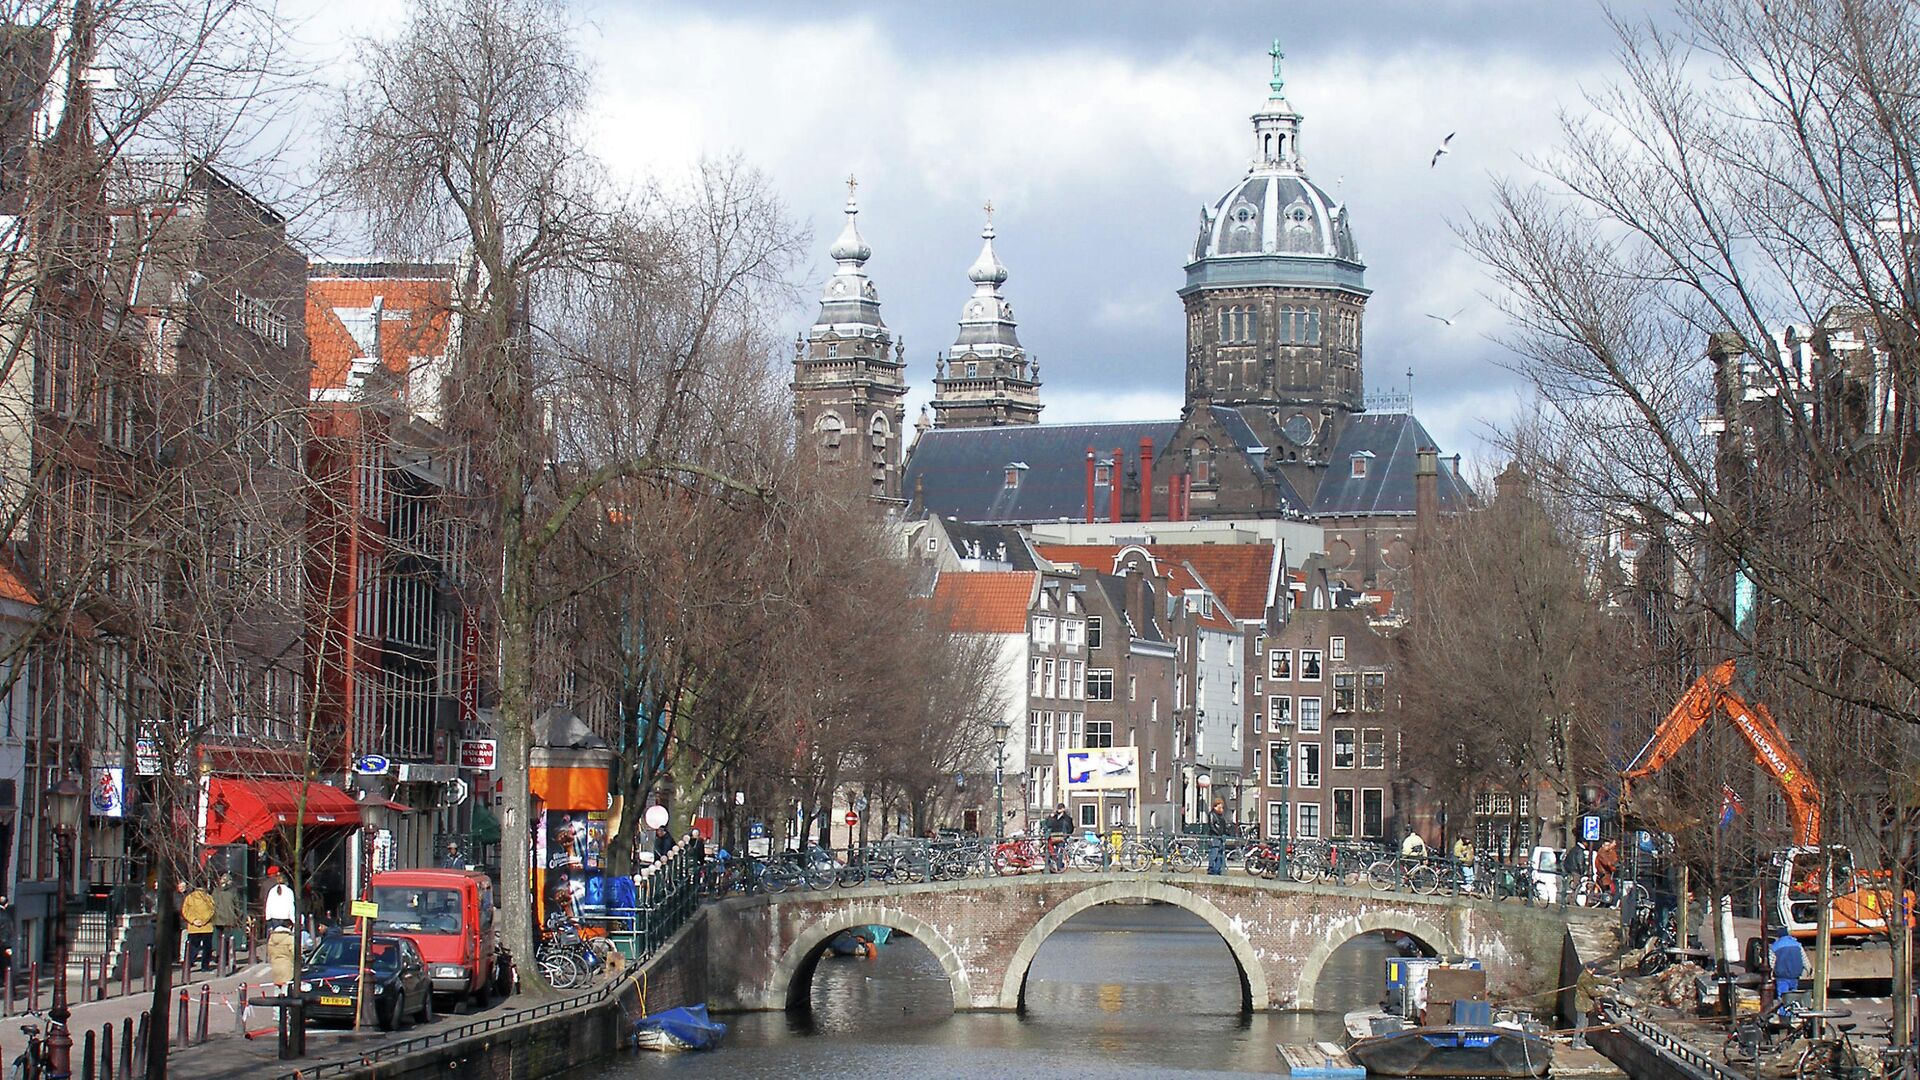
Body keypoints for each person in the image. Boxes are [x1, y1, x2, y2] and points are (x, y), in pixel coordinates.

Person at [212, 872, 243, 975]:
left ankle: (219, 956)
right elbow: (237, 904)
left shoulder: (216, 891)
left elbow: (212, 903)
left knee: (219, 938)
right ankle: (226, 957)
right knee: (227, 939)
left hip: (218, 918)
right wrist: (238, 916)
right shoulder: (233, 891)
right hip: (229, 918)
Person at [182, 880, 216, 972]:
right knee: (206, 948)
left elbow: (185, 911)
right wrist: (204, 921)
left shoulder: (189, 898)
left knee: (192, 947)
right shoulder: (208, 897)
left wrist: (193, 920)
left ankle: (188, 965)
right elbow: (212, 910)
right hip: (207, 928)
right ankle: (205, 966)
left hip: (193, 928)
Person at [1769, 925, 1806, 999]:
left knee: (1783, 996)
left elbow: (1772, 962)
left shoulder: (1775, 946)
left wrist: (1770, 974)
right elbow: (1804, 959)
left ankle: (1784, 1006)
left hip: (1782, 976)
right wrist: (1808, 969)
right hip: (1795, 975)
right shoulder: (1797, 945)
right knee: (1794, 996)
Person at [1044, 804, 1073, 872]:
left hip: (1062, 837)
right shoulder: (1054, 816)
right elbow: (1048, 825)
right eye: (1058, 808)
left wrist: (1066, 835)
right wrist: (1050, 817)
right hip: (1053, 836)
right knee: (1049, 849)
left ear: (1063, 809)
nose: (1058, 810)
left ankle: (1059, 867)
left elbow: (1070, 828)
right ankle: (1052, 865)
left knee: (1060, 851)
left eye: (1060, 808)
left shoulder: (1067, 818)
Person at [1206, 799, 1230, 875]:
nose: (1222, 807)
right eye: (1220, 805)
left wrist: (1225, 832)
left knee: (1220, 854)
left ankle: (1218, 869)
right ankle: (1211, 869)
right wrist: (1218, 833)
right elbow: (1211, 825)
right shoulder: (1212, 814)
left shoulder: (1221, 815)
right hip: (1215, 836)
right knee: (1214, 853)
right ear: (1216, 805)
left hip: (1220, 836)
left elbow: (1223, 825)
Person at [0, 895, 16, 990]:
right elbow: (6, 932)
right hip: (2, 946)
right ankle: (10, 991)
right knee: (7, 968)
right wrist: (7, 947)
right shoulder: (5, 916)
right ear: (6, 904)